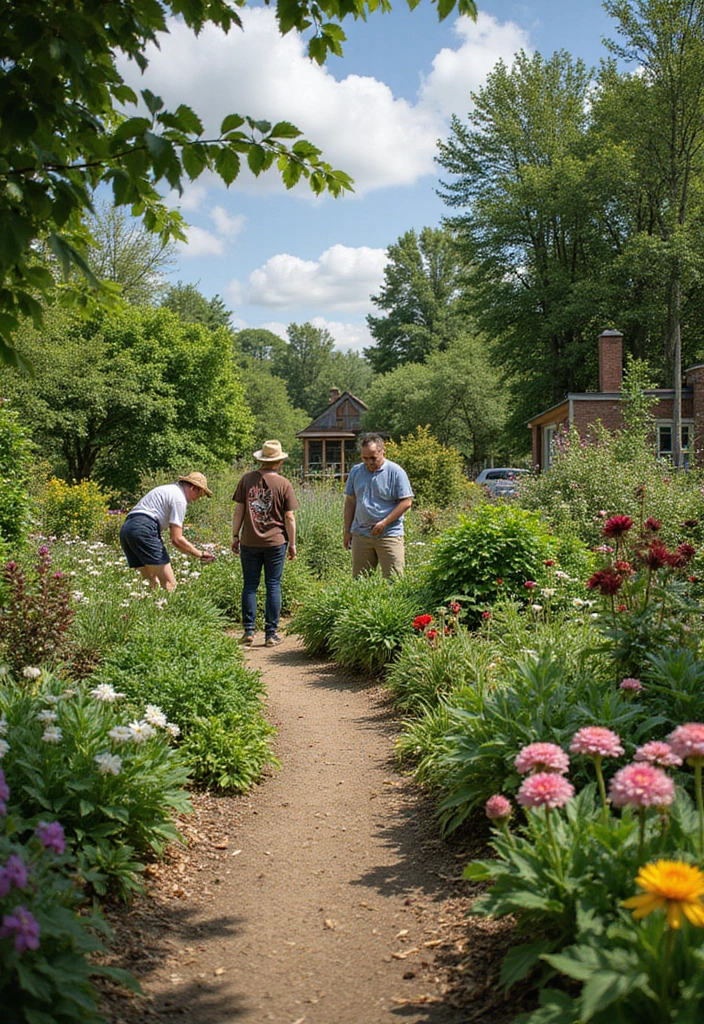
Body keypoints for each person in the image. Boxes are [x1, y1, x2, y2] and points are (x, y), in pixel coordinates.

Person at [231, 440, 298, 647]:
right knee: (273, 584)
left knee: (250, 585)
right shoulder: (284, 484)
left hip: (249, 542)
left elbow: (239, 511)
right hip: (276, 542)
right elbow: (289, 518)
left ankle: (248, 631)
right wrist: (293, 543)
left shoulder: (246, 479)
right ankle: (271, 634)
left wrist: (235, 536)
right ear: (279, 461)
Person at [119, 472, 215, 591]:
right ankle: (170, 609)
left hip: (126, 529)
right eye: (200, 495)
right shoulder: (180, 499)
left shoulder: (168, 489)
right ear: (194, 488)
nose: (196, 500)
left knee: (150, 583)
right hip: (144, 528)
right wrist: (199, 554)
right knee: (170, 584)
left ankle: (151, 608)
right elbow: (177, 539)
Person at [343, 433, 414, 578]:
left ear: (382, 452)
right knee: (360, 581)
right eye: (365, 458)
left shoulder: (396, 472)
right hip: (361, 534)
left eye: (373, 458)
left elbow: (407, 501)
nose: (369, 462)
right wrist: (347, 531)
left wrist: (385, 522)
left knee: (394, 580)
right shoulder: (356, 471)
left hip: (389, 534)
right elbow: (350, 501)